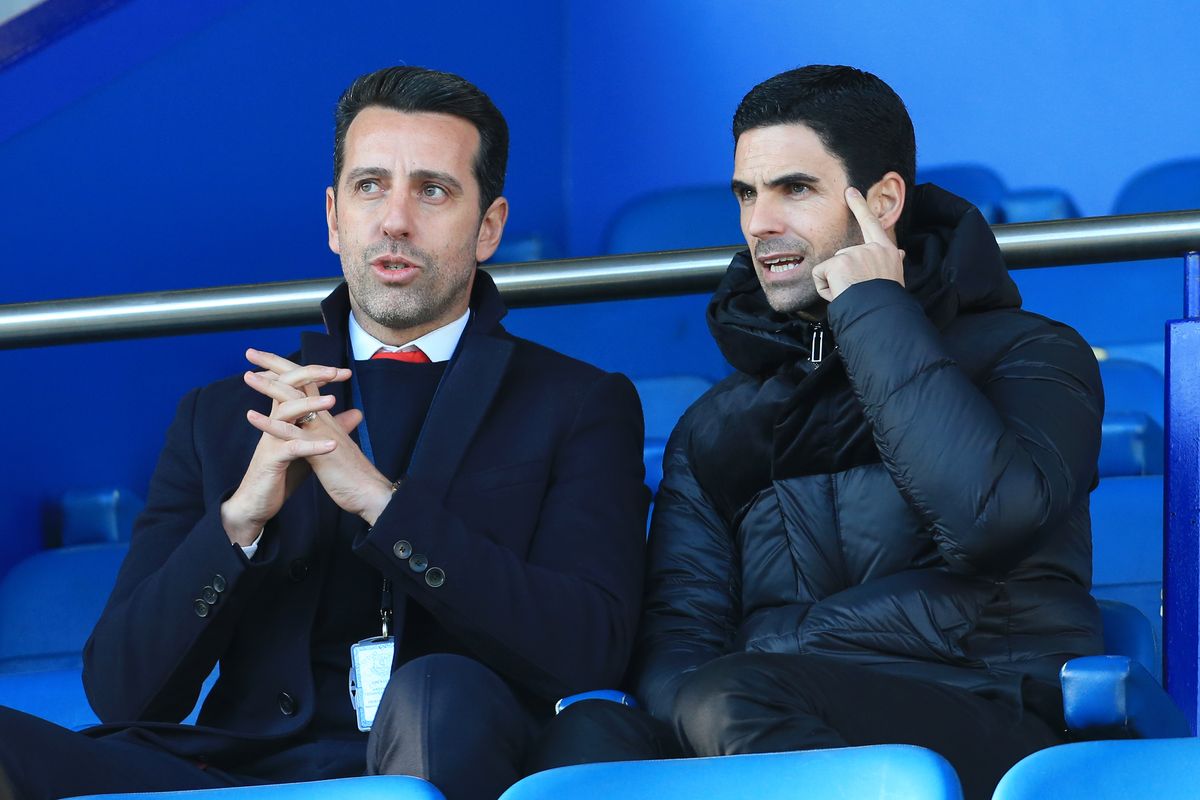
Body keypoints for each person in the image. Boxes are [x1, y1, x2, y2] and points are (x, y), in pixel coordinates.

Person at [0, 66, 647, 800]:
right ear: (335, 217)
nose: (395, 221)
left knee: (436, 694)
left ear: (489, 227)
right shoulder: (221, 416)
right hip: (236, 771)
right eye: (371, 186)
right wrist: (240, 522)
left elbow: (590, 651)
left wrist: (381, 504)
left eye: (432, 191)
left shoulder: (578, 403)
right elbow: (123, 693)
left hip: (448, 754)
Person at [537, 65, 1104, 800]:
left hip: (991, 708)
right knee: (586, 743)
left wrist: (872, 308)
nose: (758, 224)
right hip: (763, 711)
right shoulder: (713, 426)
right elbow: (679, 642)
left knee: (732, 695)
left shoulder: (1032, 353)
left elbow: (988, 520)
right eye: (747, 194)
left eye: (794, 189)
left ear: (883, 201)